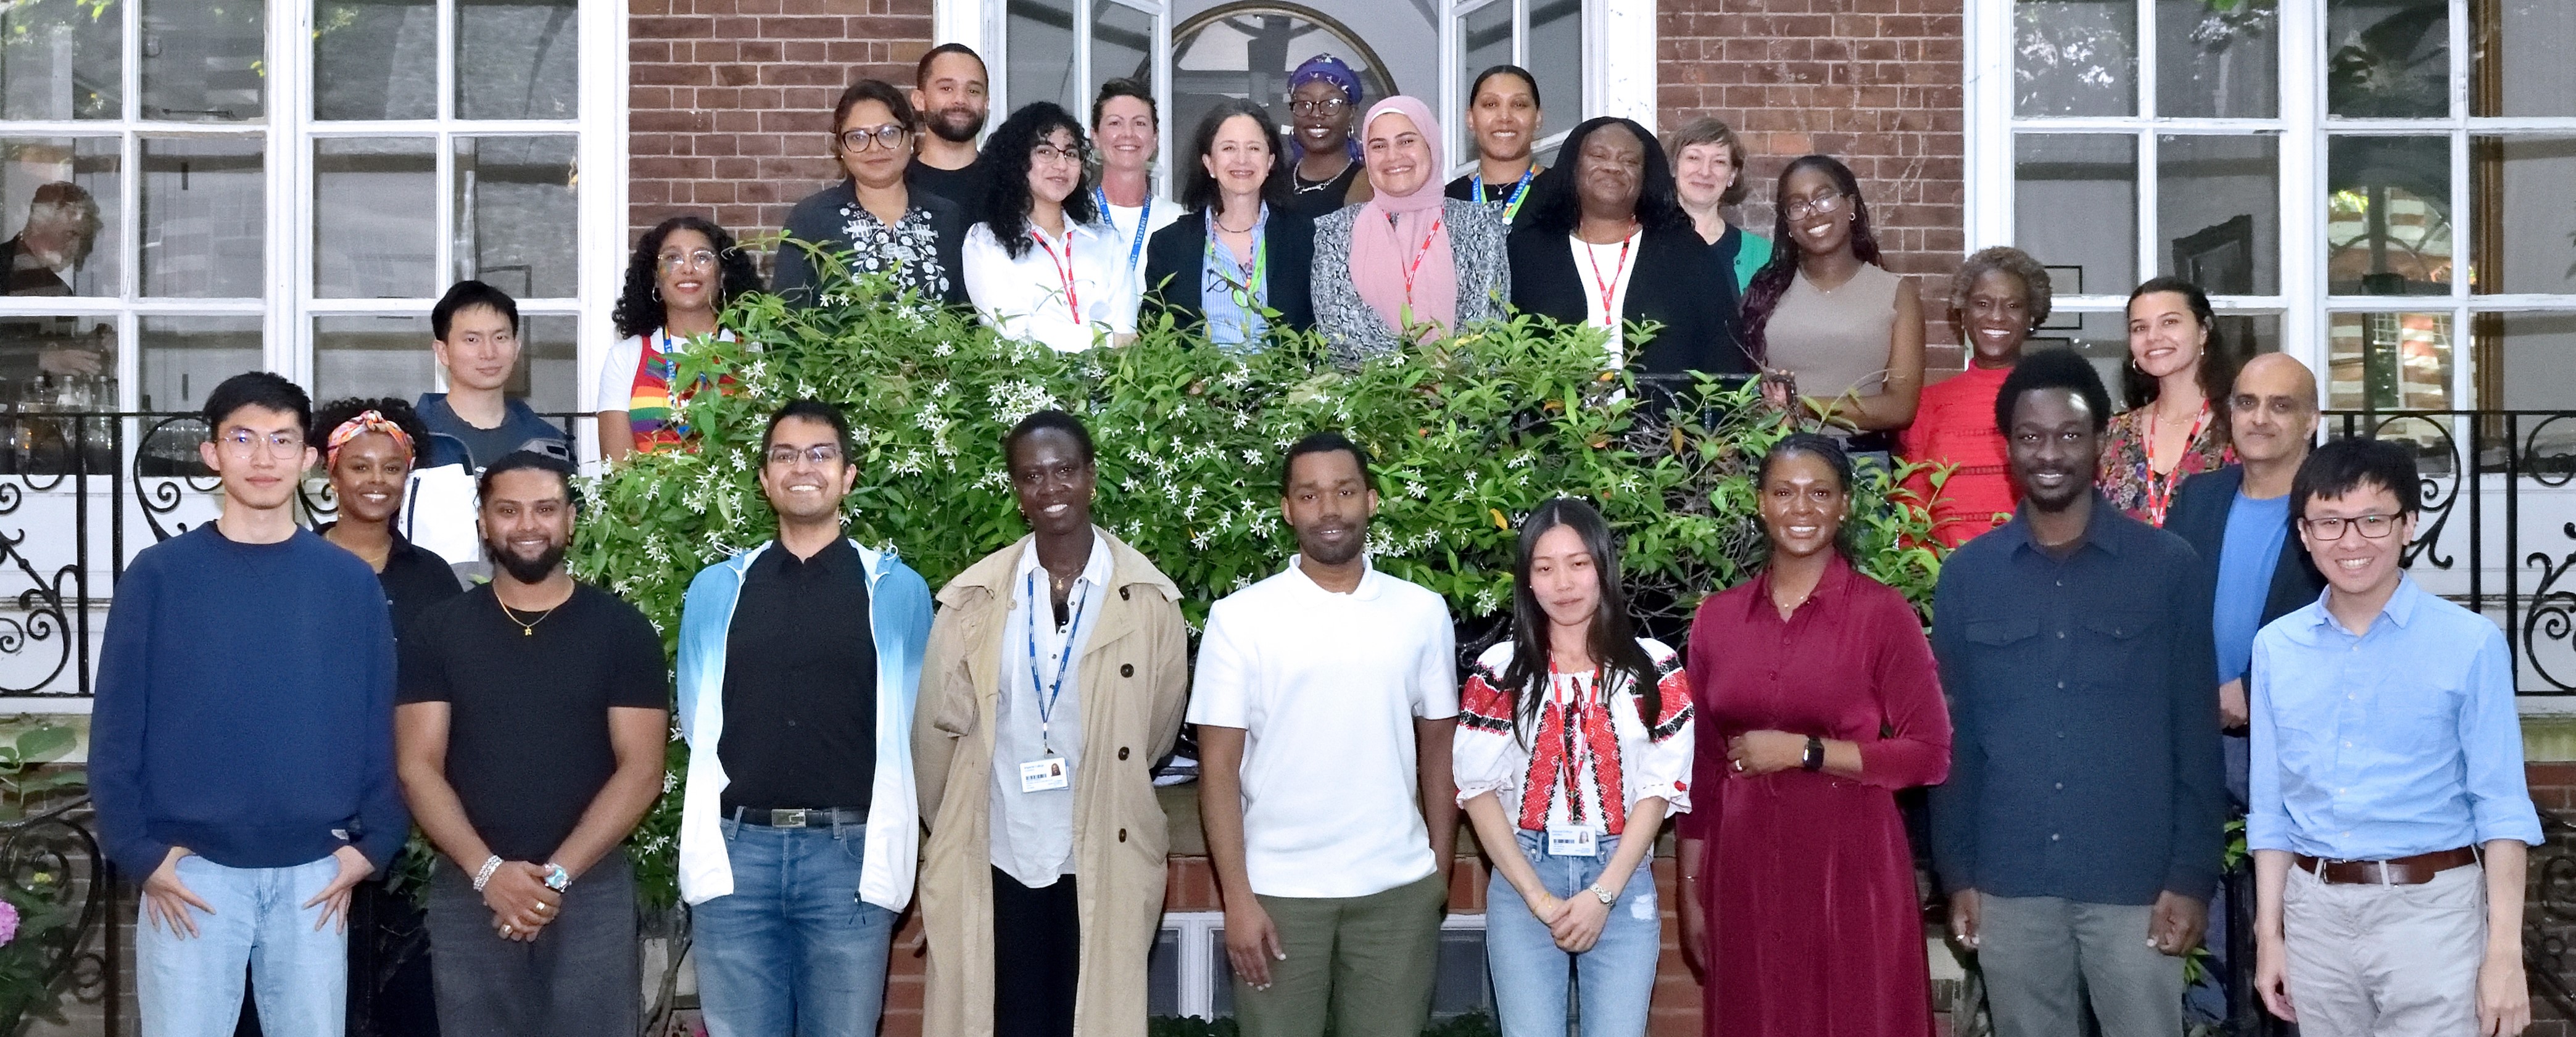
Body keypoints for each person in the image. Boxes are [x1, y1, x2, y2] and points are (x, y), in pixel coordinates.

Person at [92, 372, 404, 1036]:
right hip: (190, 874)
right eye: (243, 438)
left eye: (281, 440)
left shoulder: (348, 582)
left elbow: (380, 720)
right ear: (211, 453)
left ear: (308, 458)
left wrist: (373, 846)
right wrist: (137, 852)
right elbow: (117, 729)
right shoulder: (157, 576)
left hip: (315, 874)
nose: (263, 458)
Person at [1928, 349, 2224, 1037]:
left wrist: (2189, 877)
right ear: (2007, 450)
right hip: (2010, 883)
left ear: (2099, 443)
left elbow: (2193, 736)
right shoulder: (1967, 577)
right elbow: (1955, 741)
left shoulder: (2167, 569)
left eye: (2068, 434)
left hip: (2134, 881)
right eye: (2030, 437)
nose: (2049, 453)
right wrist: (1957, 875)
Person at [2249, 437, 2542, 1037]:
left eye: (2371, 519)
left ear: (2407, 524)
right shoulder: (2274, 649)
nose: (2349, 541)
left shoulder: (2469, 643)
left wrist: (2504, 954)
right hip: (2314, 918)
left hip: (2430, 916)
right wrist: (2269, 937)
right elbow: (2269, 812)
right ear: (2303, 534)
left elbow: (2502, 809)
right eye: (2328, 521)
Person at [915, 410, 1192, 1037]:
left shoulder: (1149, 601)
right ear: (1017, 491)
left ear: (1091, 477)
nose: (1050, 488)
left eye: (1064, 470)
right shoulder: (974, 598)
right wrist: (951, 827)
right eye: (1032, 476)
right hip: (997, 850)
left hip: (1101, 845)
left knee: (1089, 1017)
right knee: (1002, 1018)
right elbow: (935, 738)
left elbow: (1153, 731)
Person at [1676, 433, 1952, 1037]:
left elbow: (1929, 754)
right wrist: (1691, 889)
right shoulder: (1715, 619)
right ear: (1760, 502)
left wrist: (1805, 752)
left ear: (1845, 505)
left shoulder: (1882, 616)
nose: (1800, 509)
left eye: (1819, 493)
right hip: (1743, 871)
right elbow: (1698, 770)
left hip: (1848, 869)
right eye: (1784, 492)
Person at [672, 401, 933, 1037]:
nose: (802, 467)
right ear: (764, 479)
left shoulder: (897, 592)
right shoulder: (716, 590)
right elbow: (693, 715)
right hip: (735, 857)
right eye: (784, 455)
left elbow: (921, 733)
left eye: (820, 454)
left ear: (847, 476)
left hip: (848, 858)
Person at [1191, 431, 1459, 1037]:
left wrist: (1434, 878)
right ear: (1287, 509)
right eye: (1309, 495)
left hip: (1395, 893)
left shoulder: (1420, 612)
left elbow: (1440, 753)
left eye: (1343, 491)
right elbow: (1217, 772)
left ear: (1369, 499)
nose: (1328, 509)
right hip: (1278, 895)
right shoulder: (1239, 620)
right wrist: (1238, 898)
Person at [394, 451, 667, 1037]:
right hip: (470, 886)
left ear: (571, 520)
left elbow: (642, 768)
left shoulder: (622, 632)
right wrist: (490, 873)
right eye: (508, 510)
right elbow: (417, 767)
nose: (527, 524)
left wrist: (555, 879)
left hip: (590, 887)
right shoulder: (438, 631)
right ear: (483, 522)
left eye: (545, 509)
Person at [1454, 497, 1692, 1037]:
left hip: (1620, 871)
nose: (1563, 582)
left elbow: (1660, 789)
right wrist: (1536, 897)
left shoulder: (1654, 668)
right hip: (1523, 871)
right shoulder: (1499, 672)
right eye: (1544, 567)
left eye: (1578, 563)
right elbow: (1477, 790)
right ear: (1528, 582)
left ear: (1603, 568)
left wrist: (1603, 893)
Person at [2163, 353, 2326, 1028]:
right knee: (2212, 934)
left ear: (2310, 419)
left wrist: (2249, 692)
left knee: (2289, 938)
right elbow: (2163, 607)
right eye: (2246, 402)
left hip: (2289, 753)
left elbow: (2342, 620)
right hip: (2198, 747)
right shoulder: (2197, 496)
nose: (2259, 418)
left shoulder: (2331, 508)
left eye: (2279, 404)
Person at [1505, 115, 1748, 386]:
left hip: (1665, 427)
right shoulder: (1530, 252)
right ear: (1573, 167)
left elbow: (1723, 358)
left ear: (1646, 177)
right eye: (1599, 155)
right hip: (1552, 424)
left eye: (1629, 161)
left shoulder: (1687, 254)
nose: (1613, 167)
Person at [1739, 155, 1925, 462]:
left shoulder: (1896, 293)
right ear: (1787, 223)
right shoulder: (1764, 292)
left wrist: (1804, 405)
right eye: (1797, 205)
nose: (1812, 213)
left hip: (1862, 468)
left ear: (1851, 206)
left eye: (1824, 198)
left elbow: (1901, 407)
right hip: (1777, 462)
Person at [1311, 97, 1510, 363]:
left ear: (1430, 145)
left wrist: (1444, 382)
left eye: (1406, 141)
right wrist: (1410, 380)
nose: (1393, 156)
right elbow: (1341, 331)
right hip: (1370, 398)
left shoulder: (1480, 225)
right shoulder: (1335, 232)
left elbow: (1486, 326)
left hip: (1462, 399)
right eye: (1379, 146)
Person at [1894, 247, 2051, 547]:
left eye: (2013, 306)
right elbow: (1913, 508)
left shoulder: (2052, 400)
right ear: (1962, 314)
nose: (1996, 316)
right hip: (1947, 577)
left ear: (2032, 316)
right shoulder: (1927, 403)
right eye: (1982, 303)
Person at [777, 78, 974, 311]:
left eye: (888, 133)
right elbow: (787, 324)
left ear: (911, 139)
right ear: (840, 149)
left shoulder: (947, 218)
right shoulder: (811, 219)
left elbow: (967, 318)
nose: (874, 148)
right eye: (857, 137)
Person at [1141, 99, 1315, 348]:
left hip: (1283, 386)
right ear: (1209, 163)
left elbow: (1315, 331)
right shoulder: (1169, 244)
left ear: (1270, 162)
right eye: (1229, 149)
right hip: (1198, 386)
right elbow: (1153, 334)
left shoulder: (1304, 237)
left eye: (1254, 148)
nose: (1242, 160)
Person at [963, 102, 1133, 353]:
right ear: (1017, 161)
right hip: (1030, 387)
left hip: (1111, 388)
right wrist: (1104, 340)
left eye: (1071, 153)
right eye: (1046, 152)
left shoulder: (1107, 241)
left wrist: (1046, 328)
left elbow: (1126, 336)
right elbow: (1013, 332)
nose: (1061, 165)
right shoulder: (986, 241)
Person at [597, 216, 762, 461]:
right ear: (655, 277)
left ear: (723, 275)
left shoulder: (752, 351)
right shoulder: (625, 357)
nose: (687, 268)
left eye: (702, 257)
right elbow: (618, 473)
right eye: (673, 258)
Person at [313, 398, 463, 637]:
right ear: (333, 477)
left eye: (392, 468)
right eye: (360, 468)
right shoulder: (300, 568)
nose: (378, 479)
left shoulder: (432, 575)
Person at [2102, 276, 2235, 526]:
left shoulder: (2239, 429)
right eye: (2140, 328)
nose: (2153, 337)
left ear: (2203, 331)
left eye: (2170, 322)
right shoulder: (2112, 434)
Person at [416, 279, 571, 471]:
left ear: (516, 348)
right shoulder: (411, 437)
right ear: (443, 352)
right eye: (472, 340)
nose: (489, 353)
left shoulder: (548, 443)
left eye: (500, 338)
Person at [1090, 78, 1180, 329]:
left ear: (1155, 139)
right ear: (1095, 136)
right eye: (1115, 123)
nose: (1128, 134)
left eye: (1140, 124)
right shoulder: (1073, 216)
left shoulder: (1179, 221)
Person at [1665, 118, 1771, 294]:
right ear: (1674, 167)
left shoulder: (1762, 255)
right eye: (1694, 158)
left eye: (1719, 162)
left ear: (1732, 175)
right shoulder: (1642, 243)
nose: (1705, 172)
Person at [1443, 65, 1544, 226]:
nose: (1505, 117)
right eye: (1491, 104)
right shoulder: (1445, 202)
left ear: (1538, 118)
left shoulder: (1569, 196)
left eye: (1519, 105)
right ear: (1470, 119)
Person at [1277, 55, 1372, 221]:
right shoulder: (1273, 184)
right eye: (1304, 103)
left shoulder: (1368, 187)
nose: (1315, 114)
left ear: (1351, 113)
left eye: (1330, 104)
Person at [907, 43, 995, 210]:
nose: (960, 100)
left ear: (986, 103)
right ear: (919, 100)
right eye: (947, 88)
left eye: (973, 91)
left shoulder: (1010, 186)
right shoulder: (894, 184)